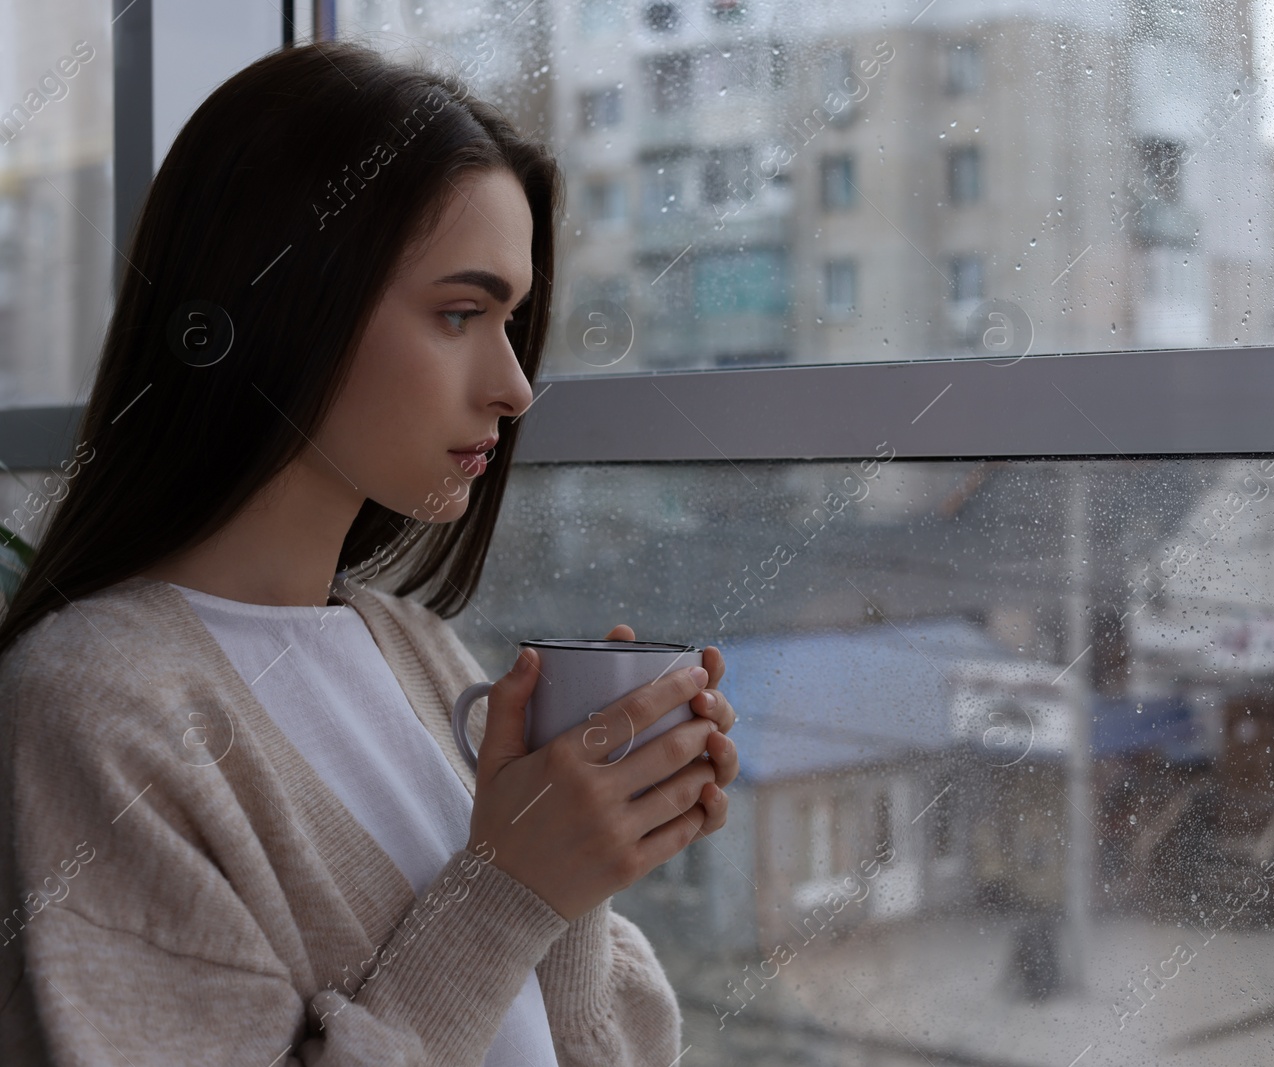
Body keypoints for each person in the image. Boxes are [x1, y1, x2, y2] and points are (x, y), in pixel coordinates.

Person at [0, 40, 739, 1065]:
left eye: (512, 321)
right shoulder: (92, 707)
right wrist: (509, 891)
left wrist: (576, 869)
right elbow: (486, 930)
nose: (516, 386)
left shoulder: (421, 652)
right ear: (280, 306)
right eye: (457, 313)